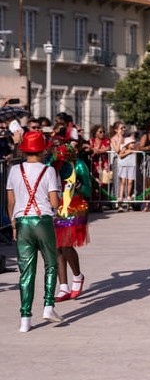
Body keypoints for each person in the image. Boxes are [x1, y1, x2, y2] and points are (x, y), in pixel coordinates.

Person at [6, 131, 63, 332]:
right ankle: (48, 305)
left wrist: (13, 224)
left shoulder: (14, 170)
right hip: (43, 220)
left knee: (26, 272)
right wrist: (56, 209)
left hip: (21, 221)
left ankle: (25, 319)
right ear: (42, 150)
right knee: (51, 263)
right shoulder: (48, 171)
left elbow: (11, 202)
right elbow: (54, 201)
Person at [51, 139, 91, 303]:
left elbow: (88, 190)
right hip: (57, 206)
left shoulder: (80, 165)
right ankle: (63, 287)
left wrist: (80, 186)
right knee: (57, 247)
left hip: (75, 206)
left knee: (66, 244)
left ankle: (77, 276)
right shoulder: (51, 165)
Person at [88, 125, 111, 208]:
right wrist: (93, 150)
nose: (102, 133)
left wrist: (98, 151)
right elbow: (88, 148)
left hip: (103, 165)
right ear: (95, 133)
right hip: (93, 165)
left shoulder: (106, 140)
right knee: (94, 183)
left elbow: (108, 147)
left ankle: (101, 204)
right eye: (100, 132)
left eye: (103, 132)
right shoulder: (91, 141)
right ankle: (94, 203)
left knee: (103, 184)